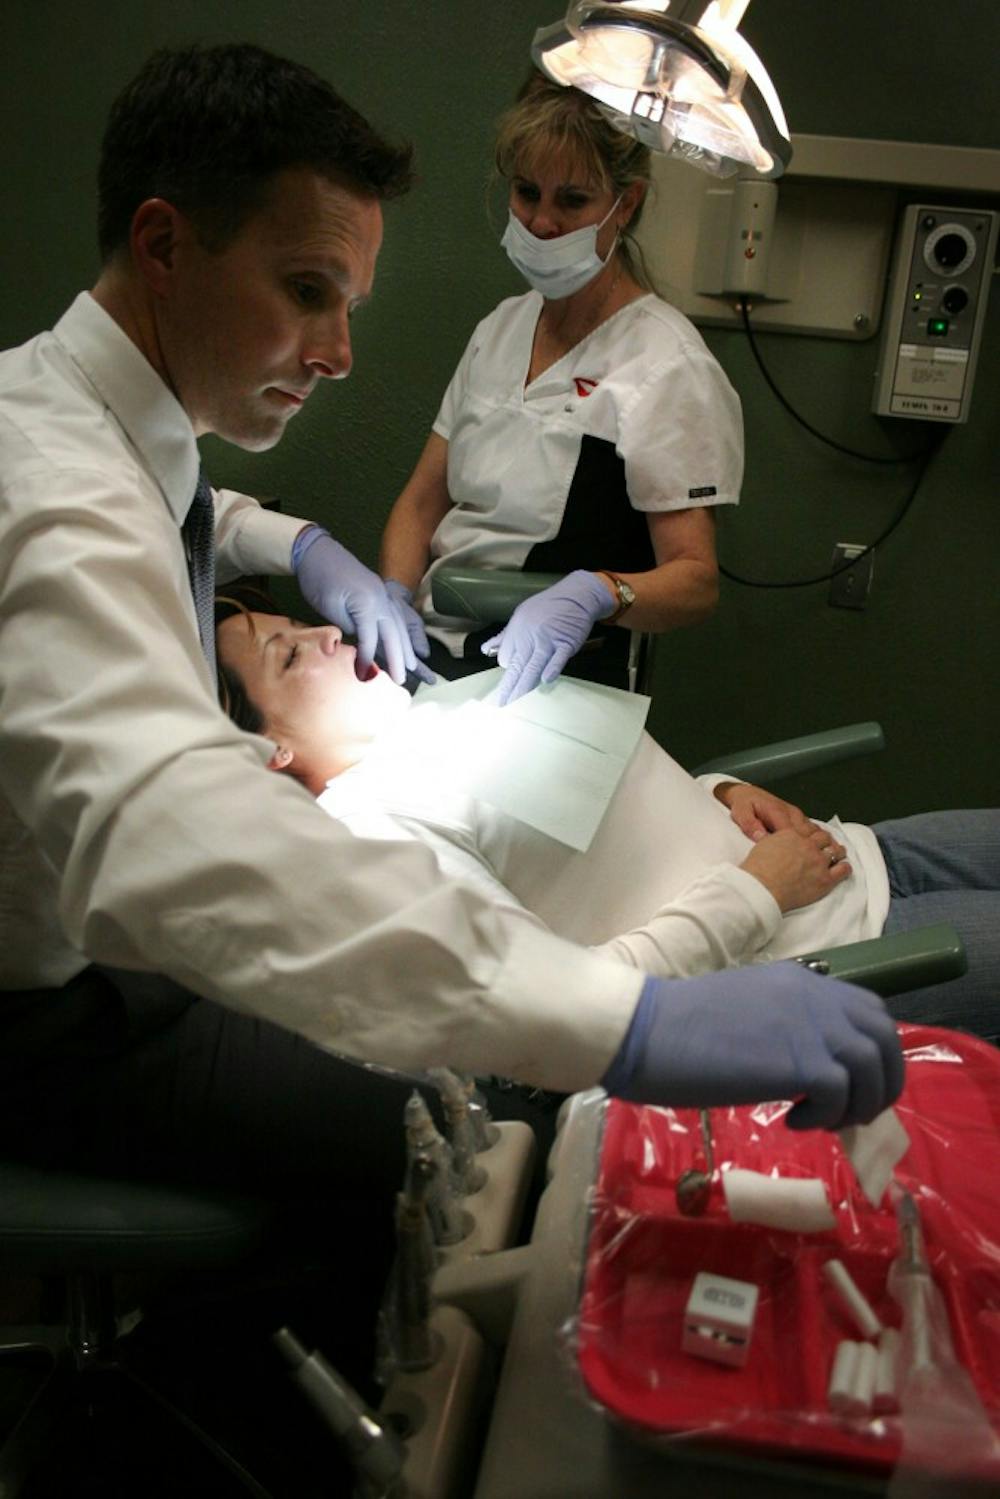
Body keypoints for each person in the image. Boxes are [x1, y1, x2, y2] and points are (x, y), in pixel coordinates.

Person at [0, 40, 901, 1232]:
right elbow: (175, 834)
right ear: (165, 246)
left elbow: (180, 502)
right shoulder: (55, 491)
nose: (336, 354)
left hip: (787, 863)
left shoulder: (74, 420)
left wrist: (296, 544)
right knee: (447, 1149)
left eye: (348, 305)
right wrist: (630, 1019)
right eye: (307, 290)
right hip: (48, 1009)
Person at [215, 598, 1000, 1041]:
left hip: (861, 856)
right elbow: (567, 1004)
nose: (326, 633)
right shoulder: (376, 831)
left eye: (298, 622)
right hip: (840, 957)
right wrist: (757, 890)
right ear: (268, 750)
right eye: (286, 656)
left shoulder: (436, 710)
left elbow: (615, 824)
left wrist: (723, 792)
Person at [379, 70, 743, 706]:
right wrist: (391, 600)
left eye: (572, 201)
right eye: (527, 193)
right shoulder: (500, 328)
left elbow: (695, 581)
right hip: (429, 651)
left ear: (623, 204)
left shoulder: (667, 363)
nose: (542, 222)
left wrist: (600, 592)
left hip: (542, 679)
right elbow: (420, 504)